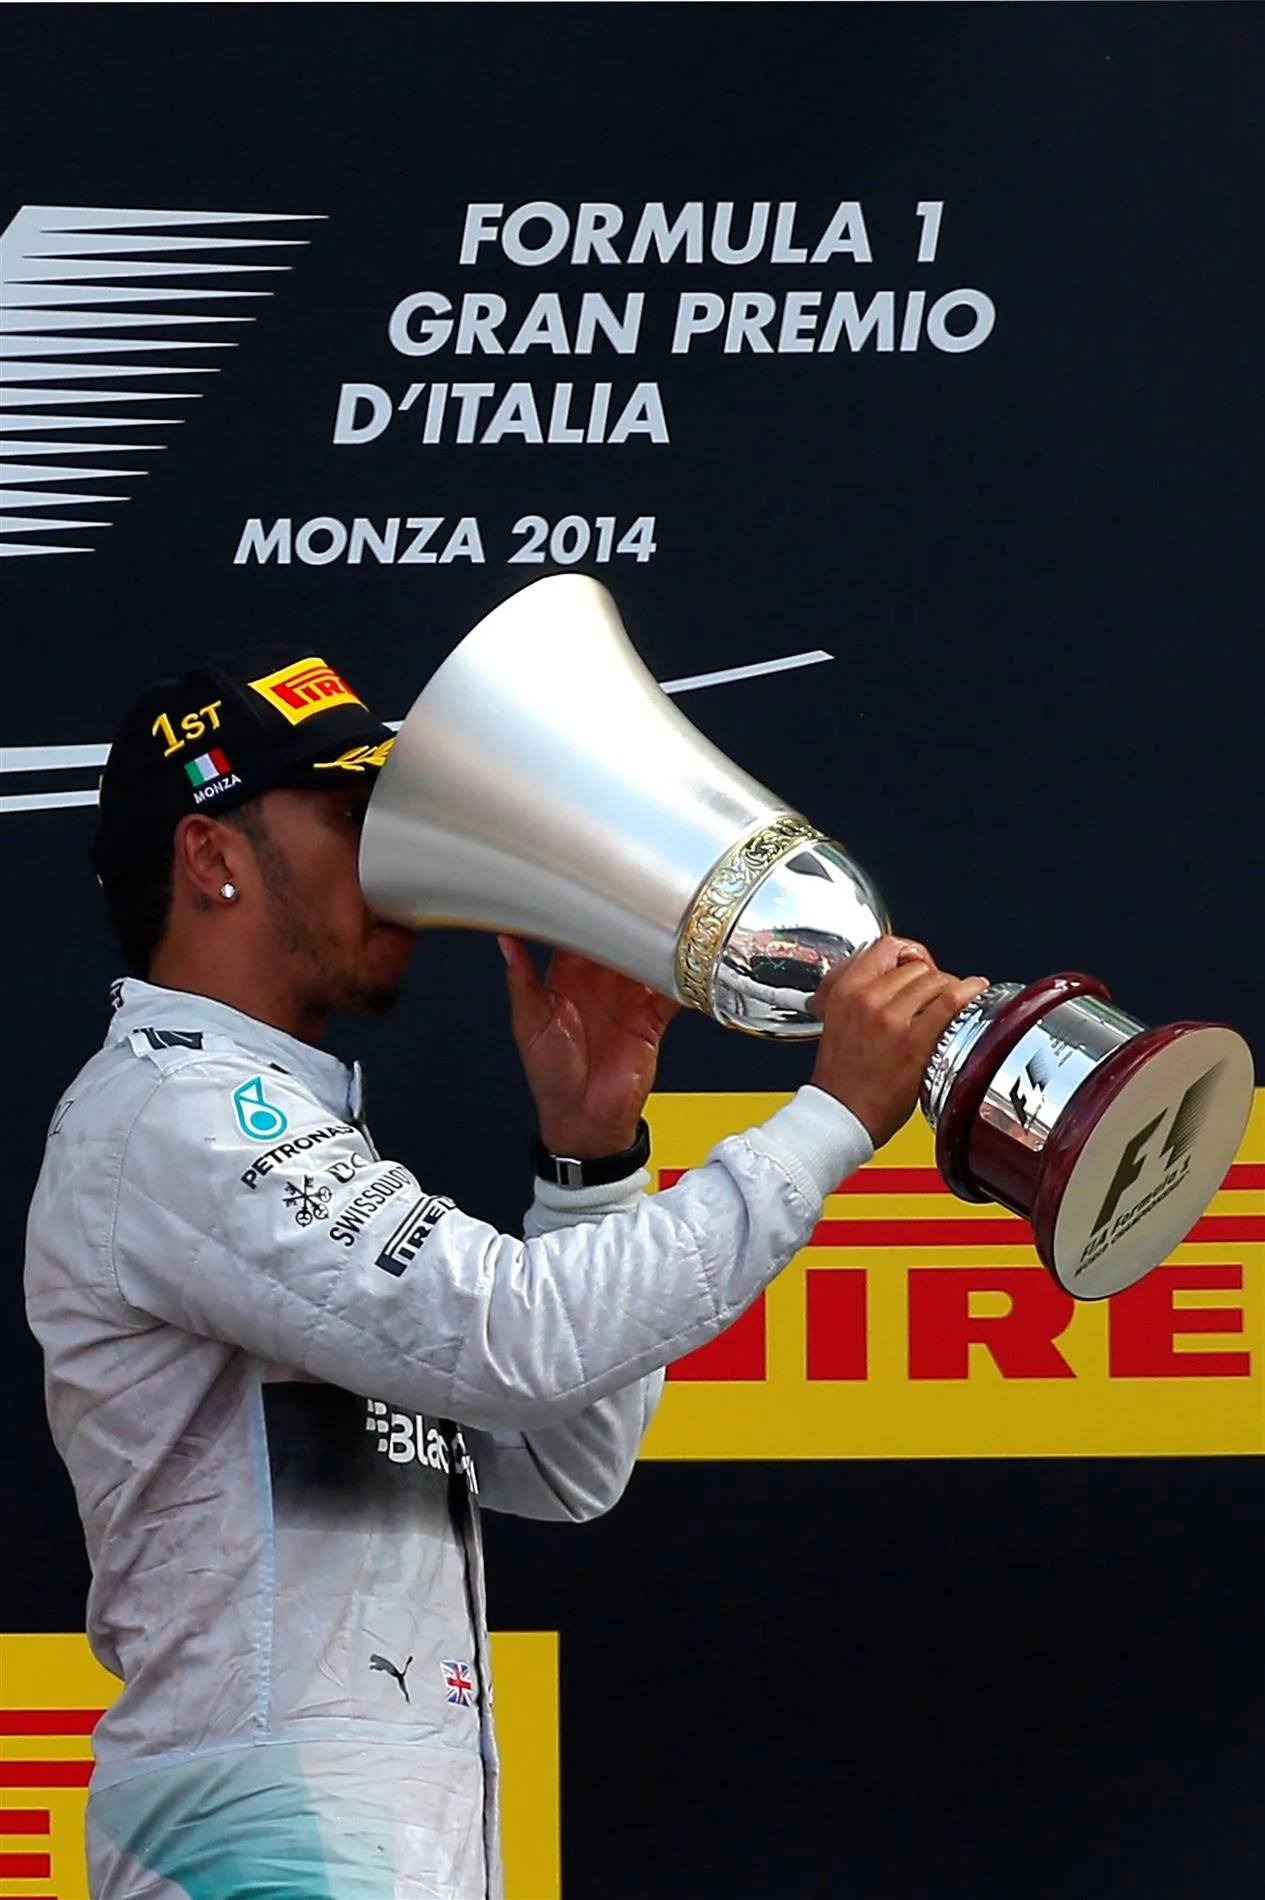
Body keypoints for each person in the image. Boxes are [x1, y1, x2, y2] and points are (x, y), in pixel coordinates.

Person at [25, 642, 987, 1900]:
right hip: (263, 1839)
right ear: (212, 858)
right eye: (351, 817)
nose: (395, 858)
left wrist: (589, 1160)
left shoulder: (269, 1119)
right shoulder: (179, 1117)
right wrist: (829, 1120)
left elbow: (560, 1461)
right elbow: (511, 1340)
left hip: (368, 1826)